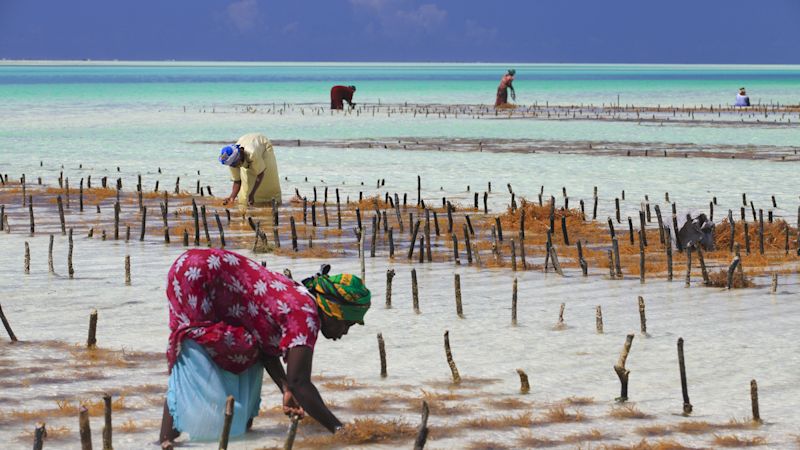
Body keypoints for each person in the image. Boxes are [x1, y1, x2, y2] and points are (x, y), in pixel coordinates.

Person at [159, 248, 371, 447]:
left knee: (246, 349)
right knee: (195, 352)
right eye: (347, 324)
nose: (344, 332)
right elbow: (300, 383)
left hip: (200, 269)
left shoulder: (302, 299)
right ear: (333, 310)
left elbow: (266, 349)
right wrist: (339, 430)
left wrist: (285, 388)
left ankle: (179, 438)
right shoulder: (305, 316)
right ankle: (166, 439)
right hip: (197, 276)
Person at [219, 133, 282, 206]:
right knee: (244, 198)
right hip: (244, 141)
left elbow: (260, 173)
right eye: (233, 165)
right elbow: (237, 180)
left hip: (263, 145)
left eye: (235, 163)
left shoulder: (252, 153)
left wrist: (252, 194)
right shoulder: (230, 161)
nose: (235, 166)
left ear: (239, 156)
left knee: (267, 177)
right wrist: (232, 197)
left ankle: (270, 203)